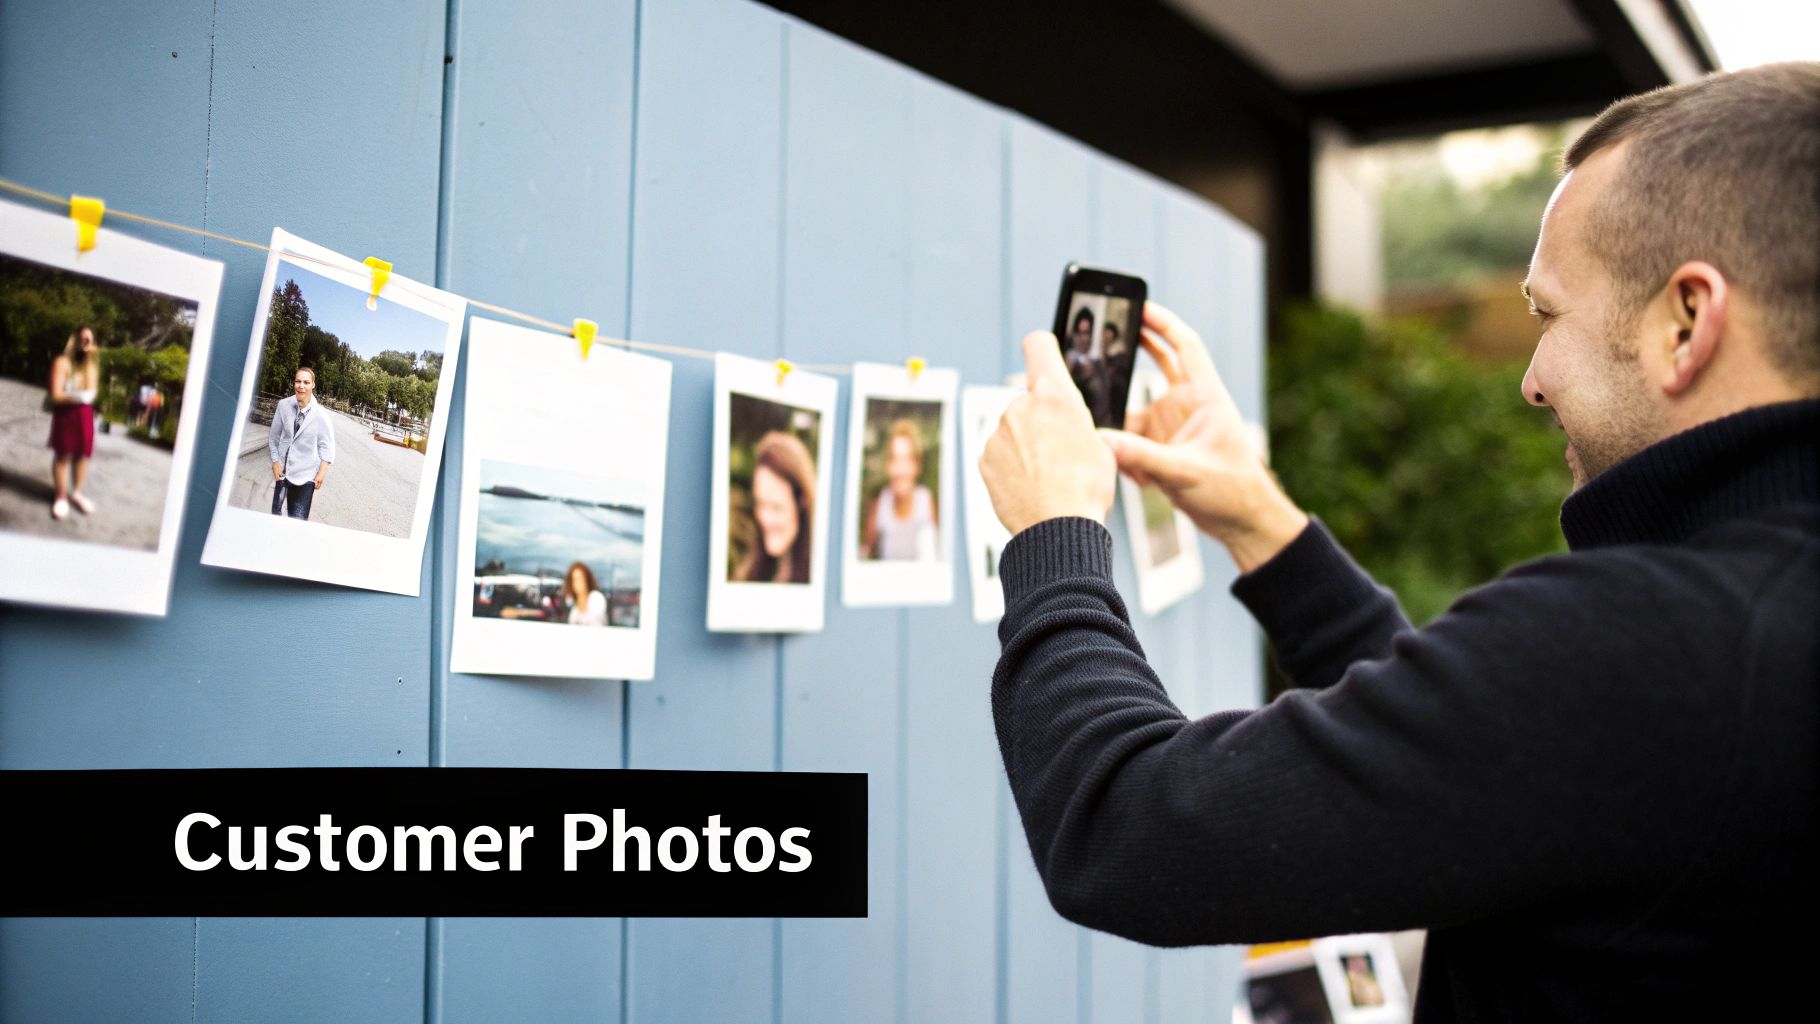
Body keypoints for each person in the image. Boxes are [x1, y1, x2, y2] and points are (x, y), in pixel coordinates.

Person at [979, 63, 1819, 1019]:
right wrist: (1261, 522)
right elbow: (1501, 758)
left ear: (1688, 321)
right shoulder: (1737, 635)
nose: (1531, 381)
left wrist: (1054, 535)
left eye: (1546, 313)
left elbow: (1126, 830)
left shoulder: (1649, 651)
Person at [735, 430, 816, 583]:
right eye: (760, 503)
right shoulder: (750, 572)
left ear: (802, 502)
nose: (765, 518)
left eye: (776, 507)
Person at [863, 418, 938, 561]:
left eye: (906, 459)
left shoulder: (926, 502)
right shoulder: (878, 505)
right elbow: (865, 556)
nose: (899, 470)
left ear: (917, 465)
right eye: (894, 459)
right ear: (887, 466)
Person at [46, 326, 101, 521]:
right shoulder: (62, 362)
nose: (87, 342)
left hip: (85, 415)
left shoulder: (91, 366)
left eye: (90, 339)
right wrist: (78, 397)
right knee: (64, 455)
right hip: (67, 413)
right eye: (83, 338)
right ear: (74, 339)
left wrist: (88, 398)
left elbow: (92, 393)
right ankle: (60, 496)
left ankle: (76, 493)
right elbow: (56, 395)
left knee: (82, 455)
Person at [267, 366, 334, 521]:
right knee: (274, 518)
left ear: (313, 385)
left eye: (306, 382)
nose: (301, 386)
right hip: (283, 472)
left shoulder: (321, 415)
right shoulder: (283, 405)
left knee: (296, 522)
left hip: (306, 476)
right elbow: (274, 437)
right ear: (294, 383)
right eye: (298, 381)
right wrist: (276, 461)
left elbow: (327, 446)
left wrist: (321, 473)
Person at [1064, 305, 1104, 418]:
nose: (1082, 338)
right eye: (1079, 332)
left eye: (1086, 333)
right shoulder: (1066, 362)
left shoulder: (1098, 365)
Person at [563, 561, 608, 625]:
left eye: (580, 578)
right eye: (574, 580)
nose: (577, 583)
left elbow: (596, 626)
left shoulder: (596, 598)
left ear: (587, 579)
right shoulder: (574, 610)